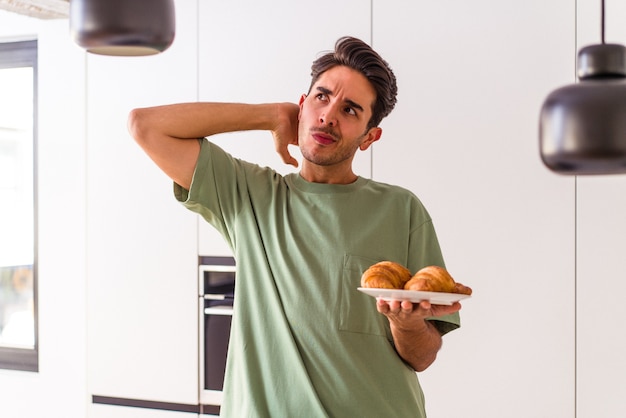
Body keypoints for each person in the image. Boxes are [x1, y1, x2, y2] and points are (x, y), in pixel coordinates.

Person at [128, 36, 463, 418]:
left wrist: (405, 324)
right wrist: (269, 114)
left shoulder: (402, 209)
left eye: (350, 109)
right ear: (302, 107)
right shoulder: (248, 195)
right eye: (321, 97)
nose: (329, 116)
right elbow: (146, 126)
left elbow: (423, 356)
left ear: (370, 136)